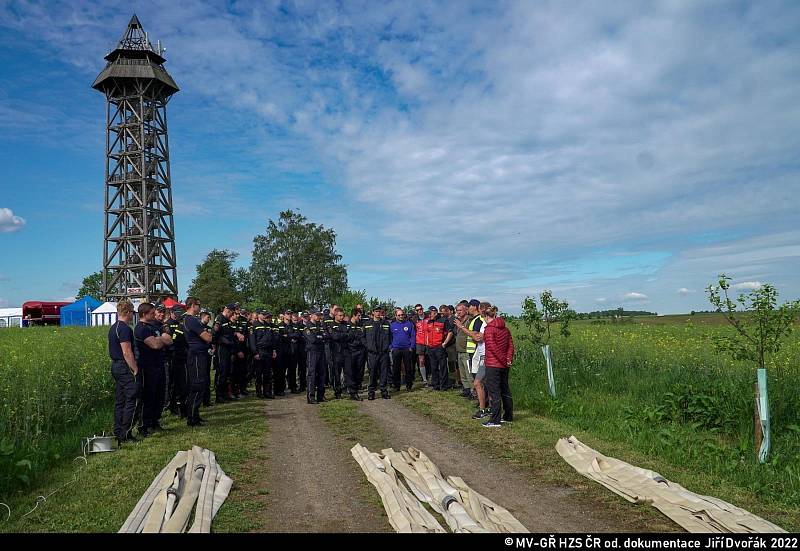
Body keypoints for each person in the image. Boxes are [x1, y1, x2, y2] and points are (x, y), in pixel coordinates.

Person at [135, 302, 173, 436]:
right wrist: (161, 339)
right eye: (152, 313)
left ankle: (155, 421)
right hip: (148, 366)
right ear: (144, 314)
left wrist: (160, 339)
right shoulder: (141, 328)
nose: (154, 314)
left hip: (159, 363)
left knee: (160, 395)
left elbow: (169, 340)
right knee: (148, 396)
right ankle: (144, 425)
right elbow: (156, 345)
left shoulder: (155, 326)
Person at [109, 300, 140, 446]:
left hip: (115, 365)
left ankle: (118, 431)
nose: (132, 315)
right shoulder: (125, 329)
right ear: (128, 312)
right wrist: (134, 368)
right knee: (132, 398)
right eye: (132, 312)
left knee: (120, 400)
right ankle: (126, 432)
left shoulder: (113, 327)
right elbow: (127, 351)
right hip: (124, 366)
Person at [481, 306, 514, 428]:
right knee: (505, 389)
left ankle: (495, 419)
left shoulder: (489, 330)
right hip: (504, 365)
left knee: (494, 392)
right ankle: (508, 415)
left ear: (486, 316)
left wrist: (503, 360)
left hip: (493, 364)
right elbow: (511, 345)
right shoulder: (505, 329)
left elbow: (492, 347)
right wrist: (508, 359)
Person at [456, 300, 490, 419]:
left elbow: (476, 336)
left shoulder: (480, 321)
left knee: (478, 381)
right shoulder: (478, 320)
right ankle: (485, 405)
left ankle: (484, 407)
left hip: (481, 354)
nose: (468, 308)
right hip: (477, 353)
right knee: (479, 381)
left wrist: (462, 327)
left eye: (468, 306)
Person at [183, 297, 213, 427]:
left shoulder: (193, 320)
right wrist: (208, 335)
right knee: (197, 384)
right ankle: (192, 417)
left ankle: (196, 415)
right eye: (198, 305)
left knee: (201, 384)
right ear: (192, 305)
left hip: (199, 354)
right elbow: (207, 337)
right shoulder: (191, 320)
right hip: (195, 356)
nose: (199, 308)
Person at [330, 308, 360, 399]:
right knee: (337, 373)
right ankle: (338, 392)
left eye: (343, 315)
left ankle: (352, 393)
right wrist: (344, 335)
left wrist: (341, 335)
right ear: (335, 315)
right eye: (340, 315)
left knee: (349, 372)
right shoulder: (331, 325)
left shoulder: (346, 324)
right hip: (336, 352)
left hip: (346, 351)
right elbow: (334, 337)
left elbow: (351, 336)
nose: (342, 317)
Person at [364, 305, 392, 399]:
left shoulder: (386, 323)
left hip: (383, 353)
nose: (378, 313)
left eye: (379, 311)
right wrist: (368, 346)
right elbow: (362, 337)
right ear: (373, 312)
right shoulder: (367, 324)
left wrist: (387, 347)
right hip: (372, 353)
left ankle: (384, 391)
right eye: (376, 311)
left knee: (384, 373)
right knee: (372, 373)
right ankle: (371, 392)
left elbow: (390, 337)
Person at [424, 305, 454, 391]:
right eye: (428, 313)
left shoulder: (443, 320)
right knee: (433, 367)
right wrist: (427, 343)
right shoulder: (429, 322)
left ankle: (444, 386)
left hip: (439, 347)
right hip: (430, 348)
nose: (429, 315)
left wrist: (444, 343)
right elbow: (427, 334)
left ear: (435, 313)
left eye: (430, 313)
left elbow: (450, 332)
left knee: (443, 367)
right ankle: (435, 385)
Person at [212, 304, 236, 403]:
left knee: (226, 372)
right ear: (227, 310)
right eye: (231, 312)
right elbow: (215, 334)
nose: (232, 314)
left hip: (227, 349)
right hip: (221, 349)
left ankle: (225, 393)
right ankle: (219, 396)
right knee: (221, 372)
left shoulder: (227, 320)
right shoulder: (219, 319)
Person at [250, 309, 276, 399]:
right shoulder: (254, 325)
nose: (265, 316)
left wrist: (273, 350)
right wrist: (255, 353)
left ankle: (267, 392)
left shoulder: (268, 326)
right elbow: (252, 341)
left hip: (268, 351)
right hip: (259, 351)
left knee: (267, 373)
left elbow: (272, 339)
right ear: (259, 315)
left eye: (266, 314)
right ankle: (259, 392)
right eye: (263, 314)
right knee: (259, 373)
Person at [304, 308, 327, 404]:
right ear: (311, 315)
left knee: (322, 373)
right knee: (312, 374)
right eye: (317, 315)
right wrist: (320, 337)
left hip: (321, 351)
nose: (318, 317)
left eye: (319, 315)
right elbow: (312, 339)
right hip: (312, 352)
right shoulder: (307, 327)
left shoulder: (321, 325)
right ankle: (311, 396)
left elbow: (326, 336)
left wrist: (320, 337)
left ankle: (320, 396)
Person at [390, 308, 416, 391]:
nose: (401, 316)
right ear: (395, 316)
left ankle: (409, 385)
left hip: (407, 349)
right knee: (396, 368)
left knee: (408, 368)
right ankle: (396, 385)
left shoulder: (409, 324)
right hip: (396, 349)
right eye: (399, 315)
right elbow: (389, 337)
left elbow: (413, 336)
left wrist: (411, 347)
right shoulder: (392, 325)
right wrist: (391, 347)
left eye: (402, 315)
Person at [453, 300, 474, 398]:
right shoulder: (458, 321)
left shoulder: (469, 320)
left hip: (466, 350)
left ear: (466, 310)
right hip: (459, 350)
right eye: (457, 311)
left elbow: (471, 333)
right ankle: (466, 389)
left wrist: (460, 326)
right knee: (462, 373)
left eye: (460, 310)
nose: (458, 312)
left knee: (468, 372)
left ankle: (472, 391)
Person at [349, 309, 367, 391]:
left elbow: (362, 336)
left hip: (361, 350)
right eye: (358, 315)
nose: (360, 317)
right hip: (351, 350)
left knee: (360, 368)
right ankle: (352, 386)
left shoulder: (360, 325)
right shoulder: (348, 325)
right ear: (353, 315)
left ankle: (358, 384)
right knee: (352, 369)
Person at [412, 304, 429, 385]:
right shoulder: (414, 319)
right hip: (420, 342)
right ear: (416, 311)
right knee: (421, 361)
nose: (420, 311)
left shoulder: (428, 316)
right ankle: (424, 379)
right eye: (418, 310)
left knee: (430, 360)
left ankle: (431, 376)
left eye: (421, 309)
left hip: (429, 342)